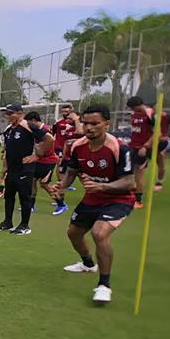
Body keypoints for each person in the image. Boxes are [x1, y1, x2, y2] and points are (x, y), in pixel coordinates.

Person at [50, 104, 135, 303]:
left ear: (107, 123)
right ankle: (88, 264)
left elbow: (130, 182)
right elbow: (72, 171)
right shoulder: (77, 146)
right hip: (93, 198)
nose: (89, 127)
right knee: (73, 233)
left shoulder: (119, 147)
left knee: (99, 232)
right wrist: (61, 186)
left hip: (119, 199)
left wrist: (102, 187)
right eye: (85, 123)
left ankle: (104, 285)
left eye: (95, 123)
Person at [0, 104, 53, 235]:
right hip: (12, 169)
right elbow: (8, 149)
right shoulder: (9, 129)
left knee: (25, 197)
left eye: (10, 113)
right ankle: (8, 222)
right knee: (9, 196)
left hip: (25, 169)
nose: (7, 116)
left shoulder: (28, 126)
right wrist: (4, 167)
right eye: (6, 113)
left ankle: (25, 225)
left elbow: (49, 138)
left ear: (20, 113)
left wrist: (36, 156)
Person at [23, 112, 68, 215]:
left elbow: (50, 141)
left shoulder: (45, 129)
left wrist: (38, 149)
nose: (28, 124)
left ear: (34, 120)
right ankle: (31, 206)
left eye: (29, 122)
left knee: (43, 183)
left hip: (48, 160)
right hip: (40, 160)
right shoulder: (36, 130)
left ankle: (61, 204)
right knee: (33, 182)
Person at [52, 104, 83, 188]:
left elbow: (79, 132)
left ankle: (65, 183)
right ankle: (61, 182)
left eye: (66, 112)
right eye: (63, 112)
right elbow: (53, 133)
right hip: (60, 147)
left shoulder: (78, 125)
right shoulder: (59, 123)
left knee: (75, 169)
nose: (64, 113)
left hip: (72, 150)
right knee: (60, 165)